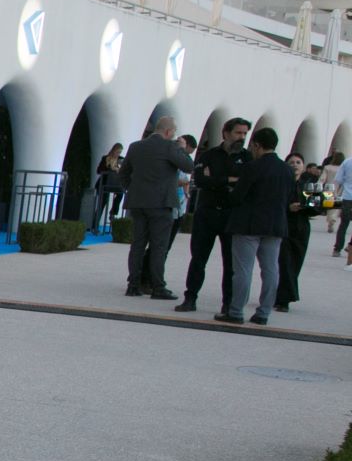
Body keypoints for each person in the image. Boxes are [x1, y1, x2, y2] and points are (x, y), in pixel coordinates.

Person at [219, 126, 295, 326]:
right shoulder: (287, 170)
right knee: (270, 270)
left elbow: (237, 197)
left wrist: (228, 192)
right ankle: (263, 313)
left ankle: (235, 311)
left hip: (248, 224)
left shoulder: (252, 167)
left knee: (243, 270)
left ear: (258, 145)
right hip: (275, 225)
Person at [178, 117, 248, 314]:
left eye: (244, 133)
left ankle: (228, 303)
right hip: (207, 213)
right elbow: (200, 180)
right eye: (238, 133)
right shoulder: (208, 155)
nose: (241, 137)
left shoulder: (248, 158)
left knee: (231, 263)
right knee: (198, 258)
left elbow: (245, 184)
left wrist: (216, 179)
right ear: (226, 133)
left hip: (231, 215)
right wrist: (229, 180)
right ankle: (190, 298)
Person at [121, 116, 192, 299]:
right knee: (158, 246)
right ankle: (157, 286)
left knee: (137, 244)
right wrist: (182, 149)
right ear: (169, 132)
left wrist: (133, 189)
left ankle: (133, 285)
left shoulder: (135, 146)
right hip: (161, 204)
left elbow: (123, 173)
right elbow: (188, 166)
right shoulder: (170, 147)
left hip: (138, 202)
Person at [276, 161, 323, 310]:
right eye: (291, 162)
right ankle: (284, 300)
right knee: (284, 262)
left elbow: (316, 209)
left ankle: (281, 296)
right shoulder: (281, 183)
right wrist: (288, 207)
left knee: (295, 263)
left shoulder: (308, 185)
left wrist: (306, 206)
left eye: (298, 162)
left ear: (303, 167)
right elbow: (273, 204)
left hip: (301, 227)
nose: (294, 165)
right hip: (283, 226)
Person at [96, 143, 125, 227]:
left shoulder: (121, 160)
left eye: (120, 152)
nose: (118, 154)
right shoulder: (106, 158)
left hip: (115, 184)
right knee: (102, 202)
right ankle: (95, 224)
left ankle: (113, 212)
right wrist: (110, 169)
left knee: (120, 193)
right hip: (104, 184)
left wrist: (119, 170)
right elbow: (98, 171)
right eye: (117, 152)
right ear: (113, 151)